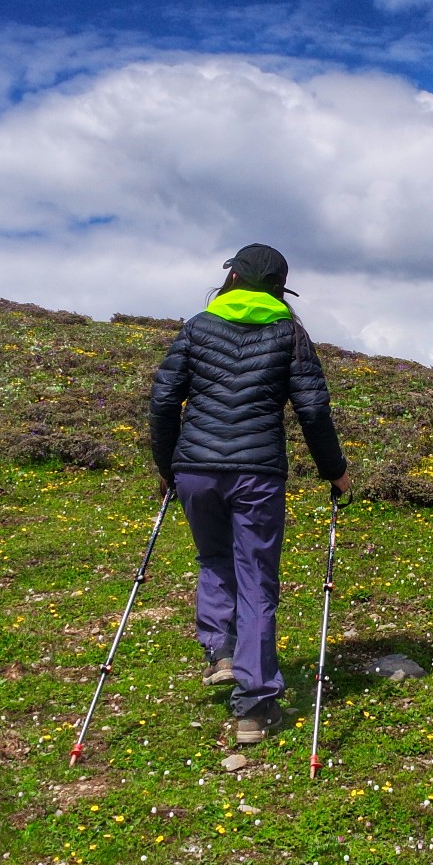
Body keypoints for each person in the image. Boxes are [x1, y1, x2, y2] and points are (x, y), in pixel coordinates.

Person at [148, 244, 352, 745]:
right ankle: (255, 708)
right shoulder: (289, 334)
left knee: (214, 557)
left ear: (233, 277)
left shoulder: (198, 326)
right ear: (280, 288)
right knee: (257, 577)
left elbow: (162, 399)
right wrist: (336, 471)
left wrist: (166, 466)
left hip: (195, 468)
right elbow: (313, 411)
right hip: (257, 473)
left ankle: (221, 652)